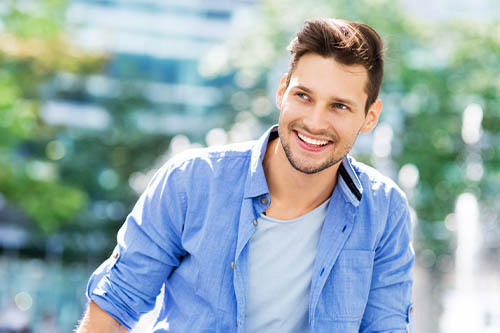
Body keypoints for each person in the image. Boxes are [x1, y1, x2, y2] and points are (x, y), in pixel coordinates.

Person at [76, 18, 414, 332]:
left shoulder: (384, 210)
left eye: (339, 106)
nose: (314, 122)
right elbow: (113, 307)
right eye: (303, 96)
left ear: (370, 117)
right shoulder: (190, 181)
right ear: (282, 91)